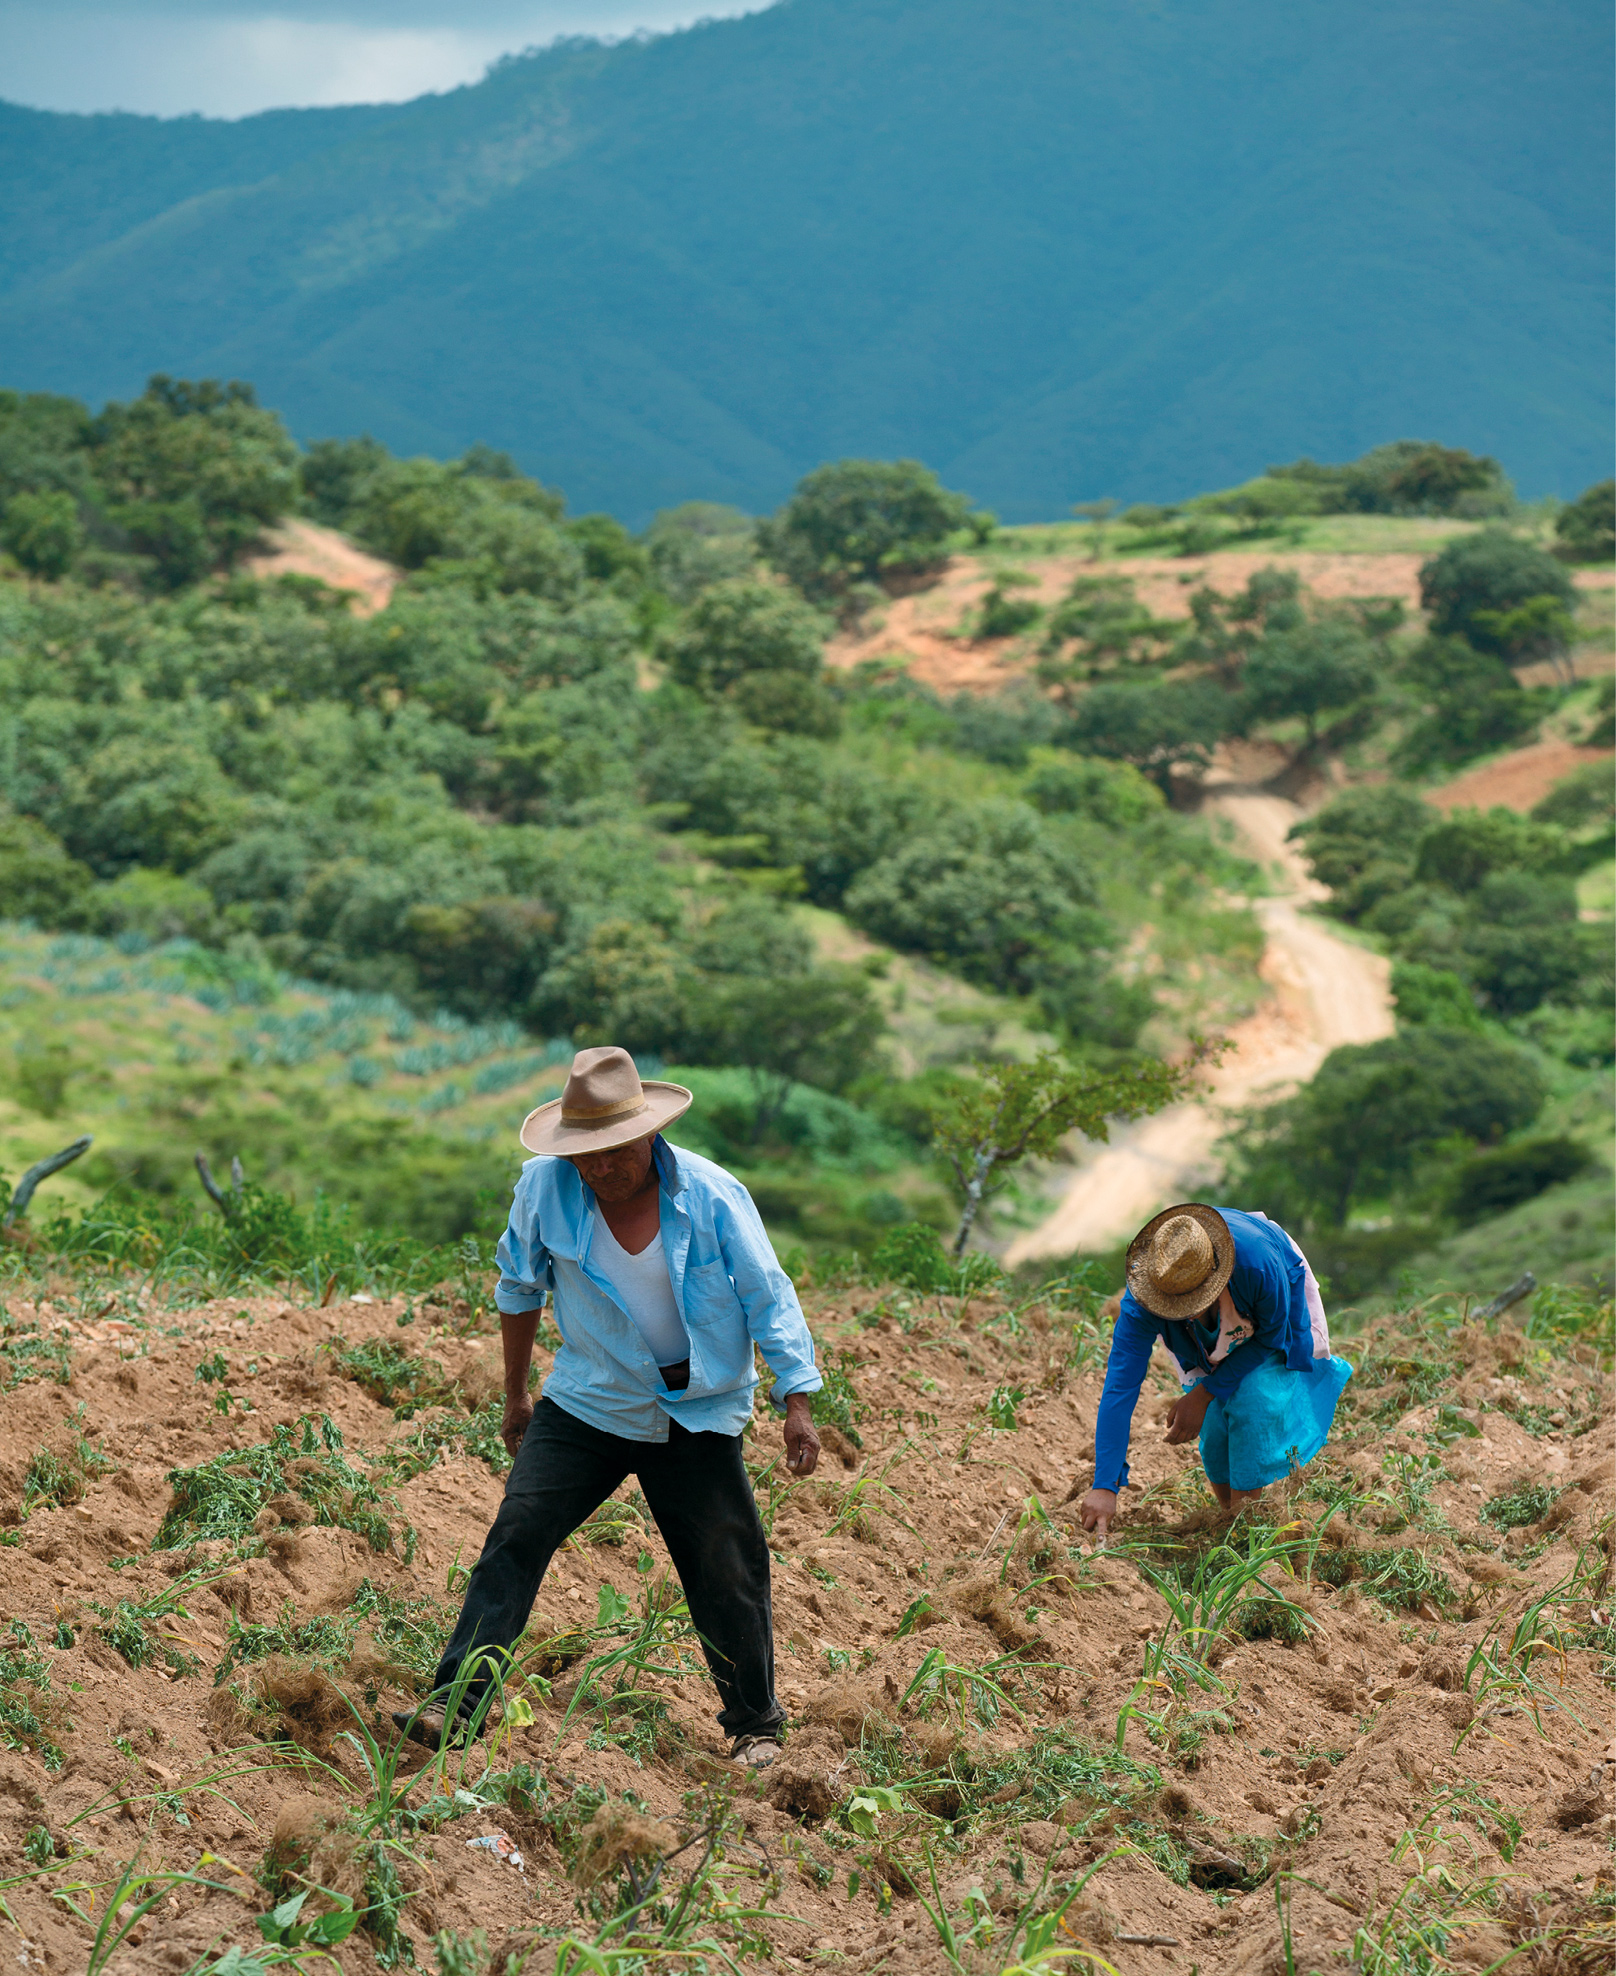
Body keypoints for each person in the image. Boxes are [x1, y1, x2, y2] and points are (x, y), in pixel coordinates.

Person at [395, 1045, 823, 1767]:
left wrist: (797, 1401)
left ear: (649, 1135)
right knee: (519, 1530)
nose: (598, 1168)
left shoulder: (712, 1195)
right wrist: (515, 1391)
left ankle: (755, 1726)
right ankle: (456, 1703)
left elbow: (767, 1295)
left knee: (726, 1562)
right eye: (584, 1153)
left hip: (697, 1409)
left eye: (613, 1151)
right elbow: (518, 1287)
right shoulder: (543, 1189)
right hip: (590, 1400)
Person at [1079, 1203, 1352, 1544]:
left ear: (1215, 1277)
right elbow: (1120, 1386)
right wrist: (1104, 1485)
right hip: (1206, 1337)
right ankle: (1230, 1520)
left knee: (1254, 1400)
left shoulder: (1257, 1265)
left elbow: (1271, 1336)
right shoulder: (1145, 1297)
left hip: (1263, 1320)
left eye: (1193, 1303)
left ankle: (1249, 1531)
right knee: (1213, 1429)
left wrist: (1204, 1393)